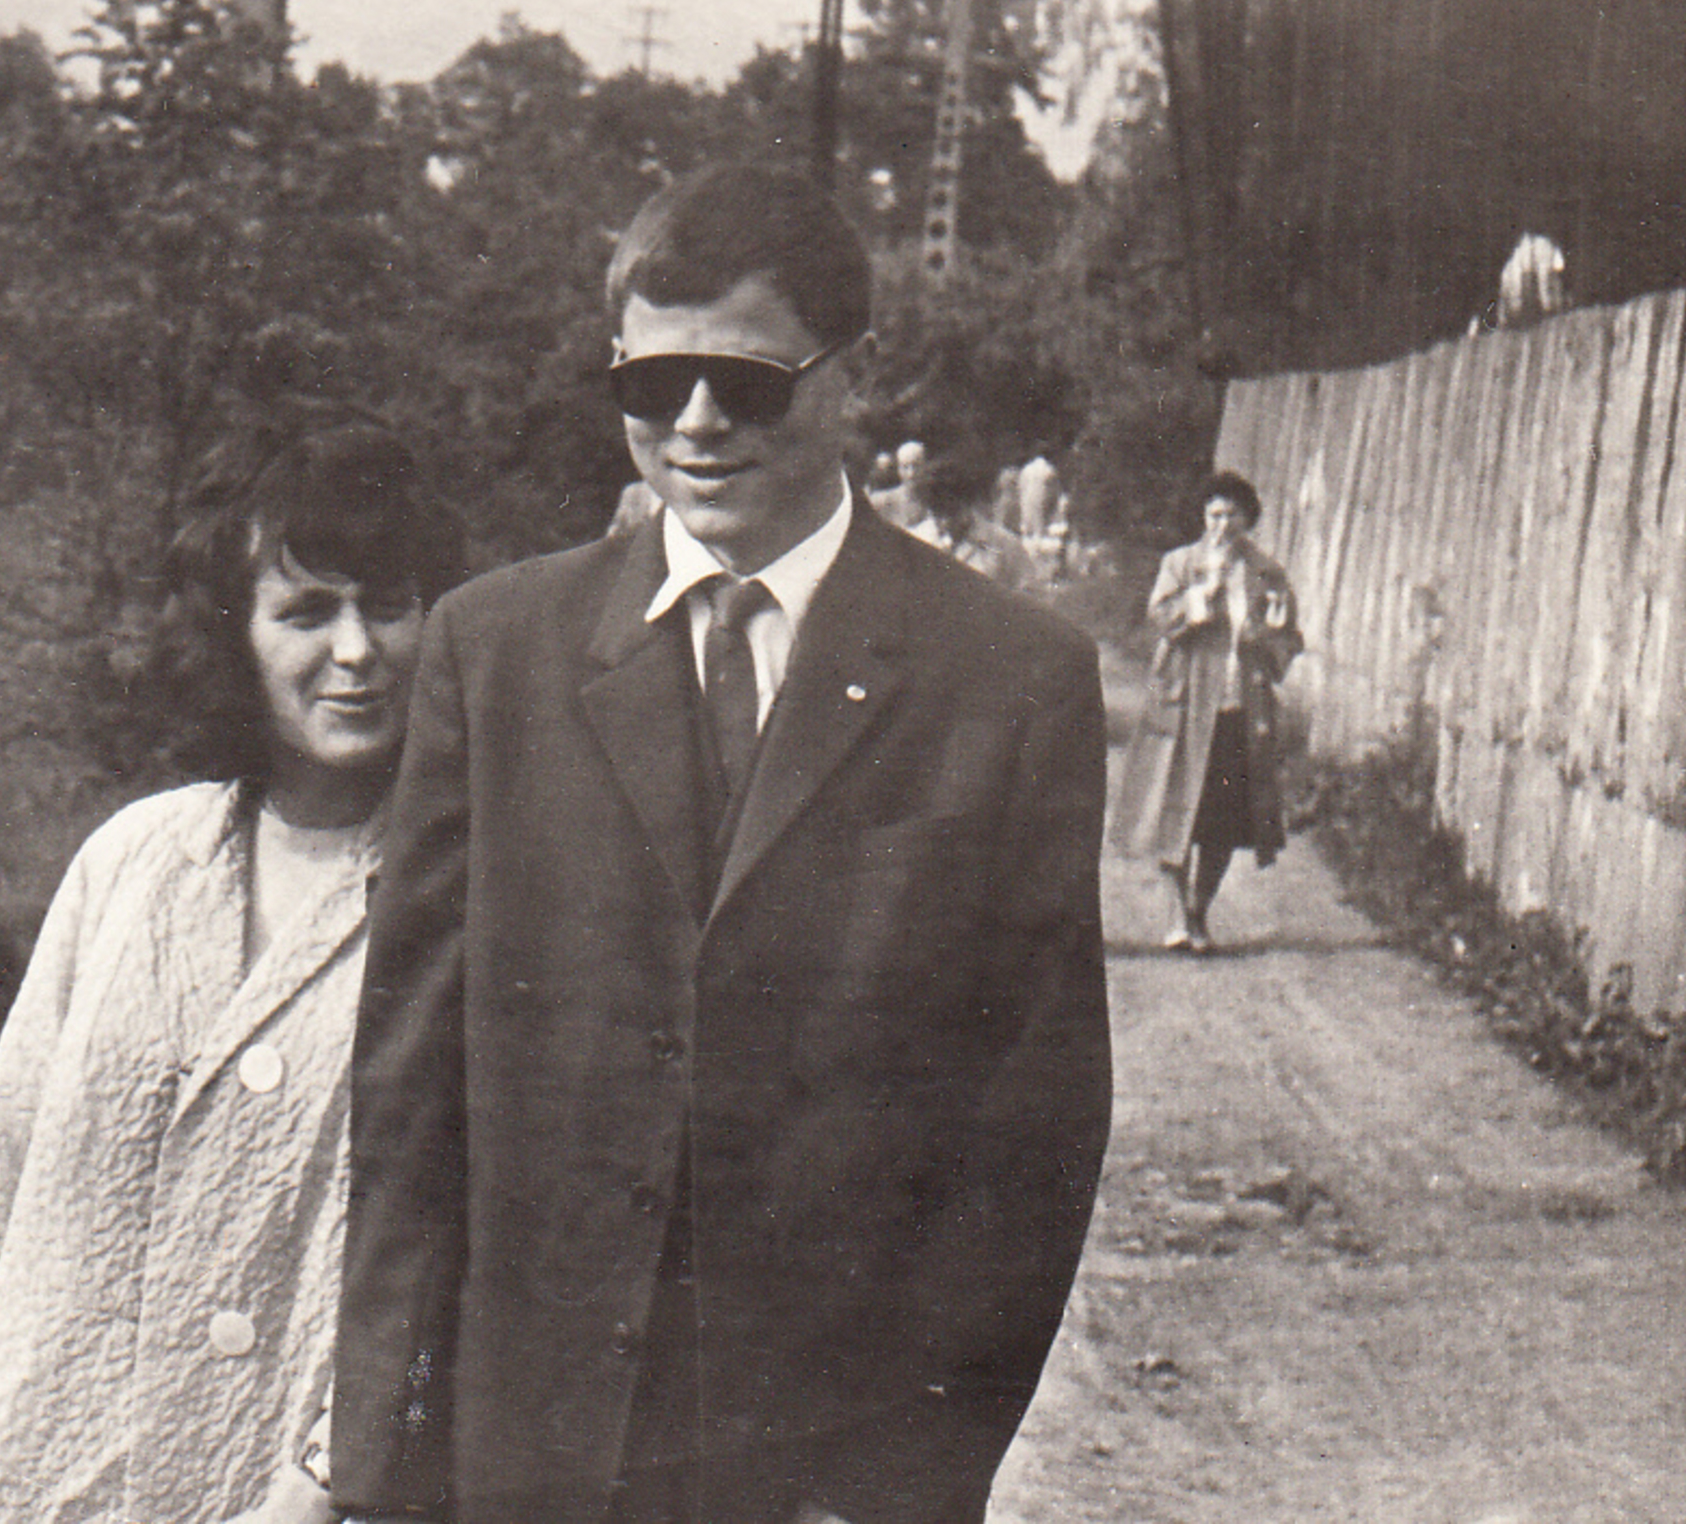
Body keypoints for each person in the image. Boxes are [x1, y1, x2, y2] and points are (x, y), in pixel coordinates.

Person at [332, 164, 1112, 1524]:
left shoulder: (1010, 679)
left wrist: (893, 1489)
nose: (695, 423)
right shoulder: (494, 652)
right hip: (525, 1463)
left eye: (745, 382)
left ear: (849, 376)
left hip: (817, 1471)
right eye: (653, 382)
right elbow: (409, 1106)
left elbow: (1030, 1136)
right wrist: (382, 1471)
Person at [0, 425, 463, 1524]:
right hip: (52, 1475)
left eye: (389, 607)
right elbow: (16, 1182)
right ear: (232, 637)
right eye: (307, 613)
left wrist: (321, 1491)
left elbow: (460, 1254)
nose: (356, 650)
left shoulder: (474, 892)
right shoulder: (132, 860)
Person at [1108, 470, 1303, 954]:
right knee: (1177, 812)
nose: (1222, 525)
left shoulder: (1266, 572)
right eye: (1214, 514)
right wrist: (1203, 596)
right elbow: (1160, 617)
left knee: (1223, 822)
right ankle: (1176, 916)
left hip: (1239, 710)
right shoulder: (1181, 563)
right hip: (1186, 706)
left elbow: (1288, 639)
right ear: (1203, 517)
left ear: (1248, 518)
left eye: (1232, 514)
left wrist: (1266, 638)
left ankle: (1198, 909)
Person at [904, 452, 1041, 592]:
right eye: (937, 514)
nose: (945, 522)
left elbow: (1029, 595)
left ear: (968, 503)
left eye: (952, 513)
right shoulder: (916, 540)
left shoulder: (1003, 544)